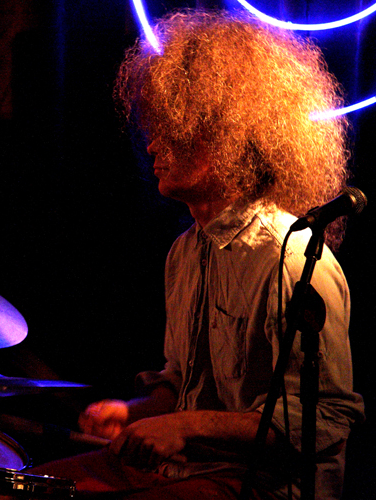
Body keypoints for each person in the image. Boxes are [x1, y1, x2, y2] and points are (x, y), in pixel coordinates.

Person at [26, 9, 365, 500]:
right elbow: (182, 384)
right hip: (181, 472)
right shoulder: (185, 251)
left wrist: (184, 426)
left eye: (174, 126)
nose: (151, 143)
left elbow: (323, 419)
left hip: (260, 485)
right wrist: (136, 413)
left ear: (230, 135)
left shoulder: (291, 259)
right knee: (19, 488)